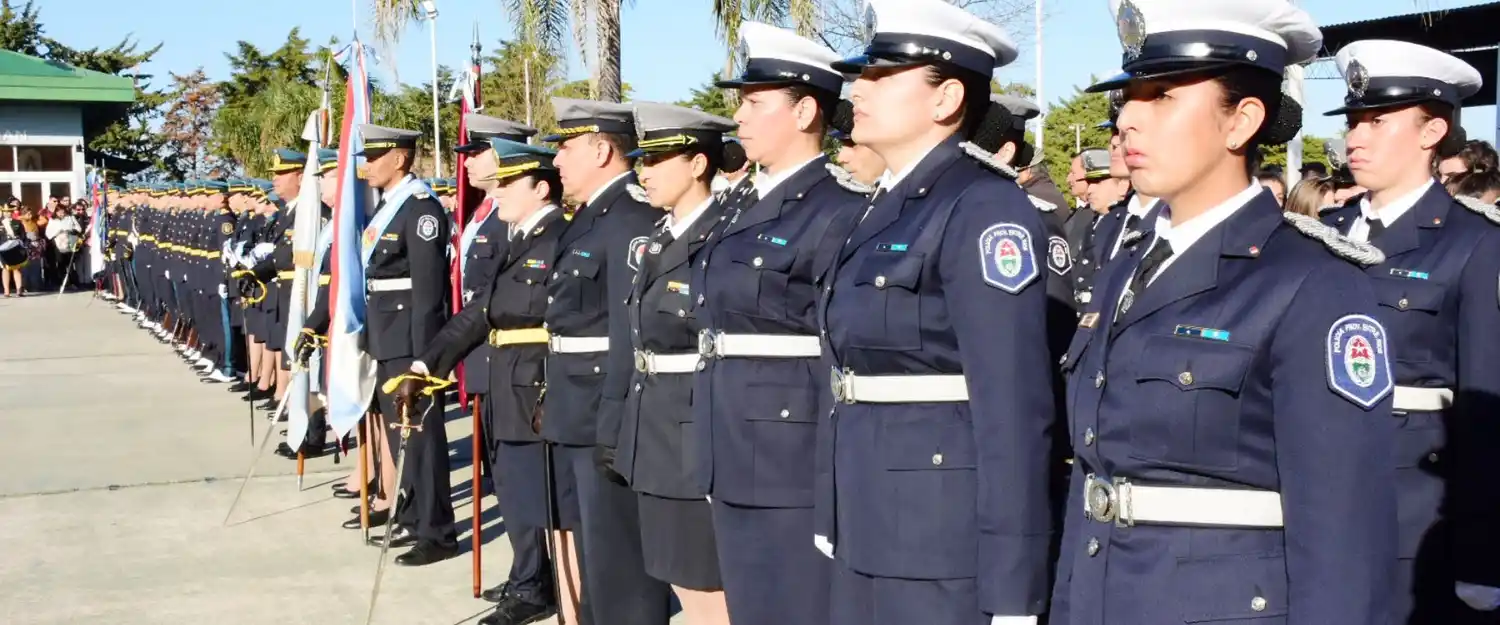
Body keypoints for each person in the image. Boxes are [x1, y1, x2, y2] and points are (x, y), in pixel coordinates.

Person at [1053, 2, 1398, 624]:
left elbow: (1345, 529)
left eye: (1161, 96)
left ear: (1241, 121)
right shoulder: (1129, 259)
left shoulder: (1311, 282)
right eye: (1129, 96)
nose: (1127, 118)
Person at [821, 0, 1059, 622]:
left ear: (945, 97)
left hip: (940, 535)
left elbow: (1013, 403)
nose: (858, 90)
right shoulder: (885, 203)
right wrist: (833, 509)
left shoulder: (983, 208)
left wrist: (1014, 584)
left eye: (880, 76)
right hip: (870, 516)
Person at [1321, 39, 1500, 623]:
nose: (1355, 137)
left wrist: (1481, 556)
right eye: (1352, 120)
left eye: (1377, 121)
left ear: (1431, 132)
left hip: (1410, 523)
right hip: (1312, 508)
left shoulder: (1475, 244)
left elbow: (1485, 412)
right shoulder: (1318, 233)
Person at [692, 22, 861, 625]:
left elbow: (839, 345)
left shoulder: (839, 207)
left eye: (754, 102)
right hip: (731, 440)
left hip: (791, 452)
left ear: (805, 110)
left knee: (795, 606)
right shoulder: (739, 201)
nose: (737, 116)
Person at [399, 137, 565, 625]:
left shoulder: (559, 238)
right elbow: (480, 313)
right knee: (512, 487)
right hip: (502, 377)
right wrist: (428, 364)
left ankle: (534, 584)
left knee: (529, 491)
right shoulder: (521, 238)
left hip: (533, 385)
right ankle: (528, 575)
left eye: (510, 183)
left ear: (540, 188)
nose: (499, 192)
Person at [539, 97, 673, 625]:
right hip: (575, 407)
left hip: (603, 412)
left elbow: (629, 333)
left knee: (621, 568)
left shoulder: (630, 219)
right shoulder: (593, 217)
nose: (557, 161)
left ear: (600, 149)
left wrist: (615, 424)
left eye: (566, 147)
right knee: (595, 559)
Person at [302, 124, 457, 566]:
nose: (366, 166)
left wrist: (425, 360)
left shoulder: (421, 210)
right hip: (387, 337)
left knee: (422, 440)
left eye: (374, 157)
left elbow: (429, 295)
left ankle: (438, 531)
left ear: (401, 159)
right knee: (398, 435)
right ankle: (413, 512)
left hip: (411, 343)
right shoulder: (389, 207)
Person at [611, 100, 736, 625]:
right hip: (656, 429)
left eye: (659, 160)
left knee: (706, 579)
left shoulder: (725, 233)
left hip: (693, 429)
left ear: (698, 165)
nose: (646, 171)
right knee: (678, 575)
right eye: (644, 160)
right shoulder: (662, 236)